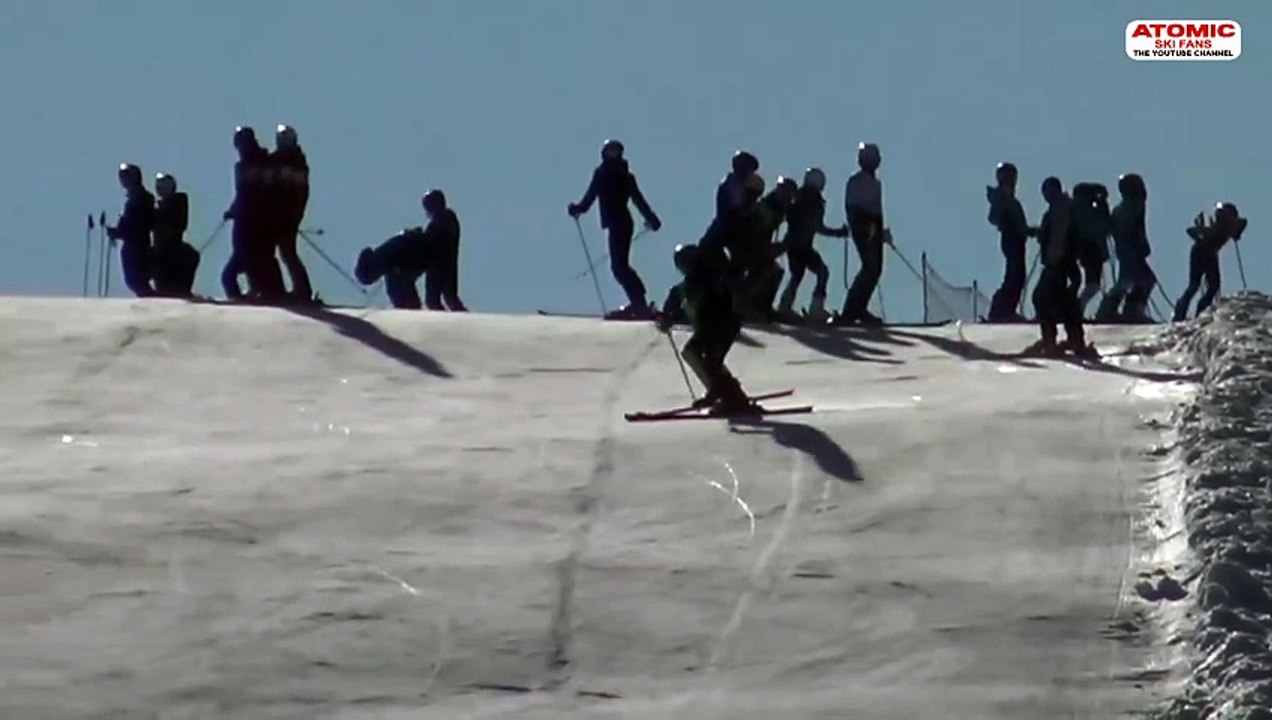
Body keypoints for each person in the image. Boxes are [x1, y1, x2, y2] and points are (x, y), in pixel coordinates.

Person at [568, 139, 662, 319]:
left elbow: (637, 199)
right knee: (619, 266)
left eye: (615, 152)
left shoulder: (623, 176)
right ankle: (638, 303)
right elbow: (590, 198)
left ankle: (639, 304)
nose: (612, 155)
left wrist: (651, 217)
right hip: (616, 223)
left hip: (622, 223)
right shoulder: (602, 174)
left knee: (619, 266)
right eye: (610, 152)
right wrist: (578, 208)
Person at [657, 243, 752, 414]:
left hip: (719, 326)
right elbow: (678, 304)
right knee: (703, 358)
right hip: (714, 327)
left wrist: (668, 318)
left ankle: (729, 397)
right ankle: (724, 392)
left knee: (709, 360)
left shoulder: (704, 281)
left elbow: (684, 305)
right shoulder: (695, 283)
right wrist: (667, 317)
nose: (685, 267)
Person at [354, 190, 467, 311]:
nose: (427, 210)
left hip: (425, 257)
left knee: (433, 299)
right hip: (423, 257)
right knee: (437, 298)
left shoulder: (441, 222)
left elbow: (431, 250)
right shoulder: (389, 258)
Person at [1024, 177, 1095, 357]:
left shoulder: (1060, 210)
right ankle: (1074, 339)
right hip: (1064, 264)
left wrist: (1054, 258)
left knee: (1042, 298)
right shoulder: (1064, 208)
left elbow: (1060, 237)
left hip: (1059, 264)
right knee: (1064, 302)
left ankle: (1051, 340)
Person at [775, 167, 849, 324]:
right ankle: (815, 308)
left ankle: (785, 305)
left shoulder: (798, 198)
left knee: (798, 275)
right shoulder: (814, 202)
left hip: (793, 244)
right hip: (802, 245)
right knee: (821, 272)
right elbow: (818, 227)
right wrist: (838, 233)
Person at [221, 126, 285, 301]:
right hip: (257, 223)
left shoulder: (250, 165)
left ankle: (259, 295)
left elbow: (249, 194)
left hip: (252, 225)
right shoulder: (262, 162)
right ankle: (270, 292)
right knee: (260, 262)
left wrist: (236, 210)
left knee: (233, 271)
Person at [837, 142, 890, 325]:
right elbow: (855, 209)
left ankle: (859, 308)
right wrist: (865, 230)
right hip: (865, 227)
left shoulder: (875, 183)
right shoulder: (858, 181)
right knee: (871, 267)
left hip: (872, 227)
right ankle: (851, 310)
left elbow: (876, 210)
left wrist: (880, 231)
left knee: (874, 269)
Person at [1095, 173, 1155, 323]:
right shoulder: (1134, 206)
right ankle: (1122, 310)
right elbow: (1135, 229)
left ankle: (1123, 309)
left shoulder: (1123, 208)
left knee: (1137, 279)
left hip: (1126, 248)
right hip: (1130, 248)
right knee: (1133, 280)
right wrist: (1141, 245)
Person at [1173, 202, 1248, 321]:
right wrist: (1201, 237)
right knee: (1197, 285)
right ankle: (1184, 312)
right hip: (1202, 252)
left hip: (1208, 253)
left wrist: (1200, 237)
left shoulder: (1224, 228)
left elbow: (1240, 227)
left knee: (1210, 286)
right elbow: (1192, 230)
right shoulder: (1217, 229)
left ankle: (1198, 312)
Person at [985, 162, 1037, 322]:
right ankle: (1003, 311)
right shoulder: (1003, 198)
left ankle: (1005, 310)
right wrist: (1022, 229)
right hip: (1011, 239)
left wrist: (1028, 230)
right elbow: (994, 218)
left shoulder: (1006, 198)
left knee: (1016, 275)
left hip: (1015, 240)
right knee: (1015, 275)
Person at [270, 124, 314, 301]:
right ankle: (279, 288)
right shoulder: (278, 160)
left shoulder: (295, 162)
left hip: (287, 216)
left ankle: (301, 290)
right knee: (280, 252)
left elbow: (300, 193)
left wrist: (294, 214)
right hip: (277, 215)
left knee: (287, 252)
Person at [106, 163, 156, 297]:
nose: (122, 179)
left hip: (137, 245)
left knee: (136, 280)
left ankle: (153, 301)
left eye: (125, 176)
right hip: (135, 244)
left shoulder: (140, 199)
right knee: (135, 281)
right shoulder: (136, 198)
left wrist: (119, 232)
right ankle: (151, 300)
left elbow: (136, 224)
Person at [150, 173, 200, 297]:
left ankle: (180, 290)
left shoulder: (177, 202)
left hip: (170, 248)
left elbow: (179, 224)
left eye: (163, 185)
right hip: (161, 250)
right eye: (158, 186)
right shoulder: (158, 206)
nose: (159, 188)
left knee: (190, 256)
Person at [1069, 181, 1112, 314]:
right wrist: (1103, 204)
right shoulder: (1090, 212)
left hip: (1085, 249)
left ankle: (1076, 308)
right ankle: (1077, 308)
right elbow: (1105, 226)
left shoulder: (1075, 210)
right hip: (1092, 249)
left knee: (1092, 284)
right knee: (1093, 284)